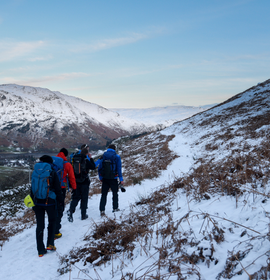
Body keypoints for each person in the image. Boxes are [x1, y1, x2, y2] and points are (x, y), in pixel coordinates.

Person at [31, 155, 63, 257]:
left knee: (40, 226)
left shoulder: (35, 172)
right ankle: (50, 244)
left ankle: (40, 250)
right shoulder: (52, 172)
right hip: (49, 202)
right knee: (52, 221)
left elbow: (32, 188)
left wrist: (33, 203)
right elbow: (58, 189)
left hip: (37, 202)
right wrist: (61, 201)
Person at [67, 147, 96, 222]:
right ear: (86, 153)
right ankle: (83, 215)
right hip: (84, 182)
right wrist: (91, 158)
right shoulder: (85, 160)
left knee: (75, 197)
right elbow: (93, 167)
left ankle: (71, 210)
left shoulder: (74, 159)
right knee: (84, 198)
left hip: (76, 182)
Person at [54, 148, 77, 239]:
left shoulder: (52, 162)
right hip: (61, 188)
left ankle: (51, 226)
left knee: (53, 207)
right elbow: (71, 177)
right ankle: (56, 229)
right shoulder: (67, 164)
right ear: (66, 155)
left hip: (51, 189)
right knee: (60, 208)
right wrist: (74, 188)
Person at [98, 144, 124, 216]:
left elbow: (99, 168)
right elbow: (119, 169)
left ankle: (102, 210)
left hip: (105, 178)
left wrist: (100, 178)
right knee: (115, 193)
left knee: (104, 194)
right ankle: (115, 208)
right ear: (114, 149)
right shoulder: (117, 156)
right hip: (113, 178)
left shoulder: (103, 156)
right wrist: (121, 179)